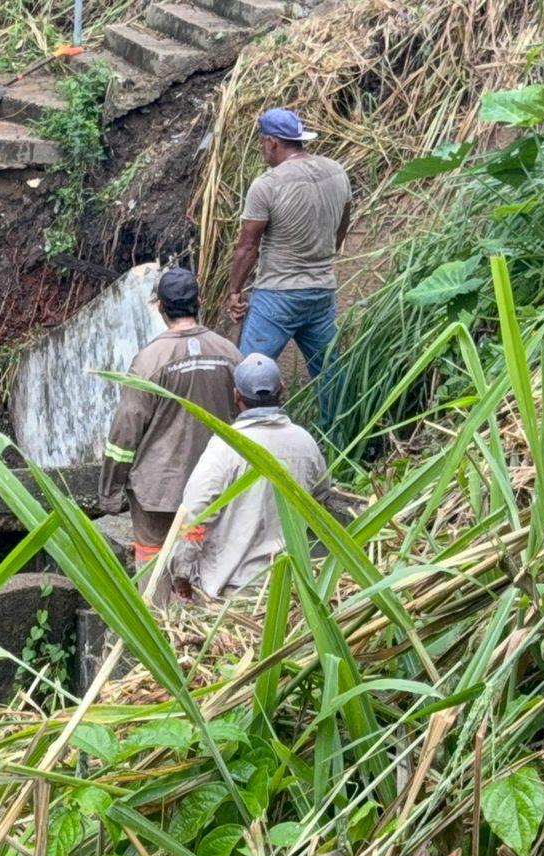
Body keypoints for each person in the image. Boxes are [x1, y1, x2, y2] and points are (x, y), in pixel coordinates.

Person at [100, 267, 243, 572]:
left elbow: (125, 432)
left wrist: (110, 492)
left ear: (160, 307)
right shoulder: (229, 353)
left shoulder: (149, 361)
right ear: (199, 302)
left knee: (155, 571)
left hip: (159, 491)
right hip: (217, 488)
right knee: (209, 567)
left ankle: (157, 604)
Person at [224, 107, 351, 436]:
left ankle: (248, 447)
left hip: (277, 296)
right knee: (330, 374)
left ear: (272, 142)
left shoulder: (267, 185)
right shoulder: (336, 171)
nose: (263, 150)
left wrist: (234, 291)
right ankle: (339, 445)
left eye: (262, 144)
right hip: (321, 292)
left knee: (249, 375)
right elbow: (342, 225)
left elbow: (247, 247)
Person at [171, 354, 332, 600]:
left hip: (235, 588)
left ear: (236, 395)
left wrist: (181, 573)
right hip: (292, 583)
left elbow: (195, 511)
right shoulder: (304, 442)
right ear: (282, 389)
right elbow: (320, 496)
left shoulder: (226, 447)